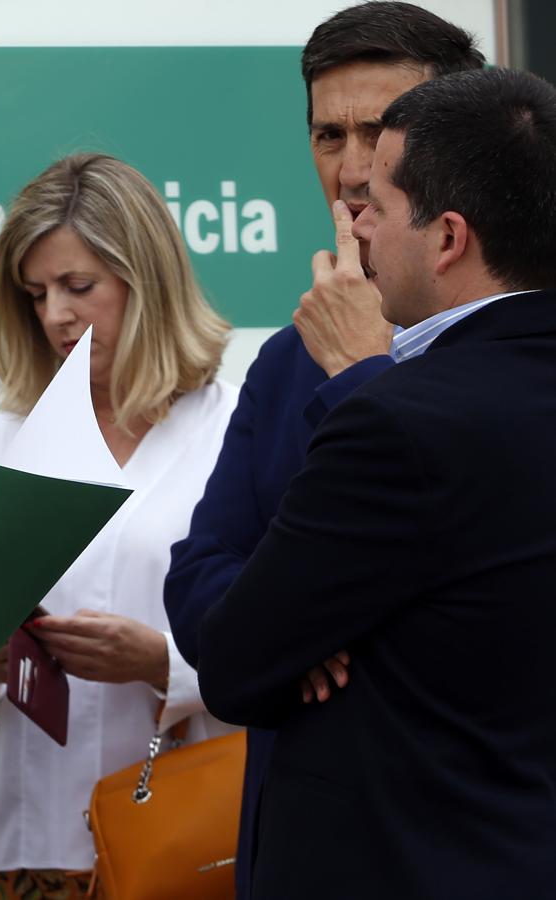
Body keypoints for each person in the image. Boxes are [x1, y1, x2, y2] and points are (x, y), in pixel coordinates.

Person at [199, 67, 556, 899]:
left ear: (448, 237)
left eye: (380, 205)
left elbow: (237, 663)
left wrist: (366, 379)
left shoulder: (393, 417)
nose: (353, 218)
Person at [162, 4, 484, 895]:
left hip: (458, 851)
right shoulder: (285, 357)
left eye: (379, 133)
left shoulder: (514, 354)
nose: (349, 171)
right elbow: (199, 575)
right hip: (299, 852)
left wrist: (365, 371)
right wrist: (284, 627)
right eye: (327, 134)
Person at [0, 153, 239, 899]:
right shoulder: (6, 446)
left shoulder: (236, 435)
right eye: (36, 293)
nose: (56, 314)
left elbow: (295, 650)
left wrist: (163, 661)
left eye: (79, 286)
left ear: (145, 279)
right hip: (31, 849)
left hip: (183, 841)